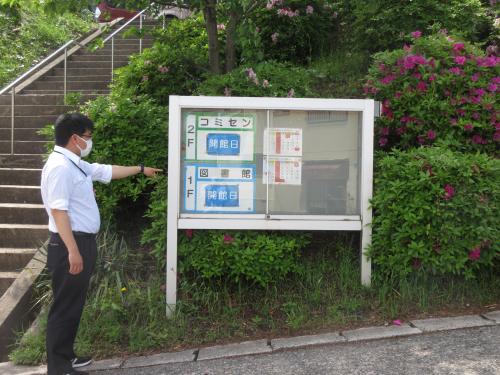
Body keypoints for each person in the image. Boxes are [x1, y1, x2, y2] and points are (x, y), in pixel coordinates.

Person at [40, 113, 162, 375]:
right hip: (68, 245)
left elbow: (105, 171)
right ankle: (58, 366)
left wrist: (140, 169)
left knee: (74, 301)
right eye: (88, 137)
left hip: (81, 242)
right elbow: (59, 212)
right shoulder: (60, 168)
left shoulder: (75, 164)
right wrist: (72, 250)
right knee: (65, 305)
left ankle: (67, 355)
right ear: (75, 138)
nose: (89, 141)